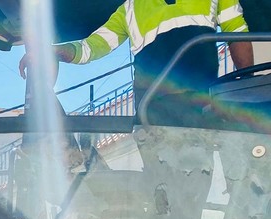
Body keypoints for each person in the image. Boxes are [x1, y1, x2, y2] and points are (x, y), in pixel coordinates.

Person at [18, 0, 254, 126]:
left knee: (196, 178)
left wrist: (248, 88)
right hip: (153, 108)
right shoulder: (129, 8)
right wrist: (57, 51)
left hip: (200, 102)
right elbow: (93, 46)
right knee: (164, 188)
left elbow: (237, 32)